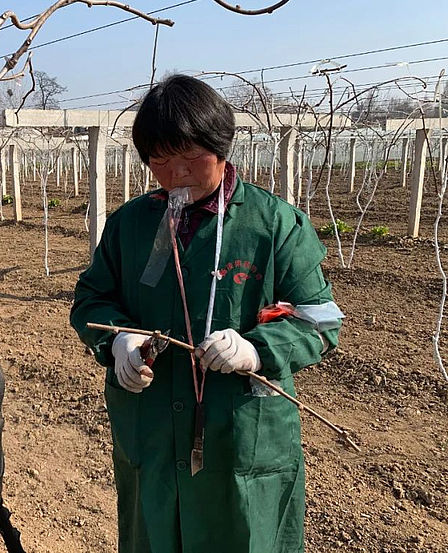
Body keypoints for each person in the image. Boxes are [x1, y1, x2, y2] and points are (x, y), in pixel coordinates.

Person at [70, 74, 342, 553]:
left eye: (190, 156)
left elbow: (318, 321)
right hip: (153, 426)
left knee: (246, 535)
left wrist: (256, 350)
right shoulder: (131, 224)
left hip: (240, 429)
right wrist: (117, 340)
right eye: (160, 160)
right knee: (154, 535)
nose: (177, 173)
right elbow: (92, 299)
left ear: (221, 147)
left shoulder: (274, 224)